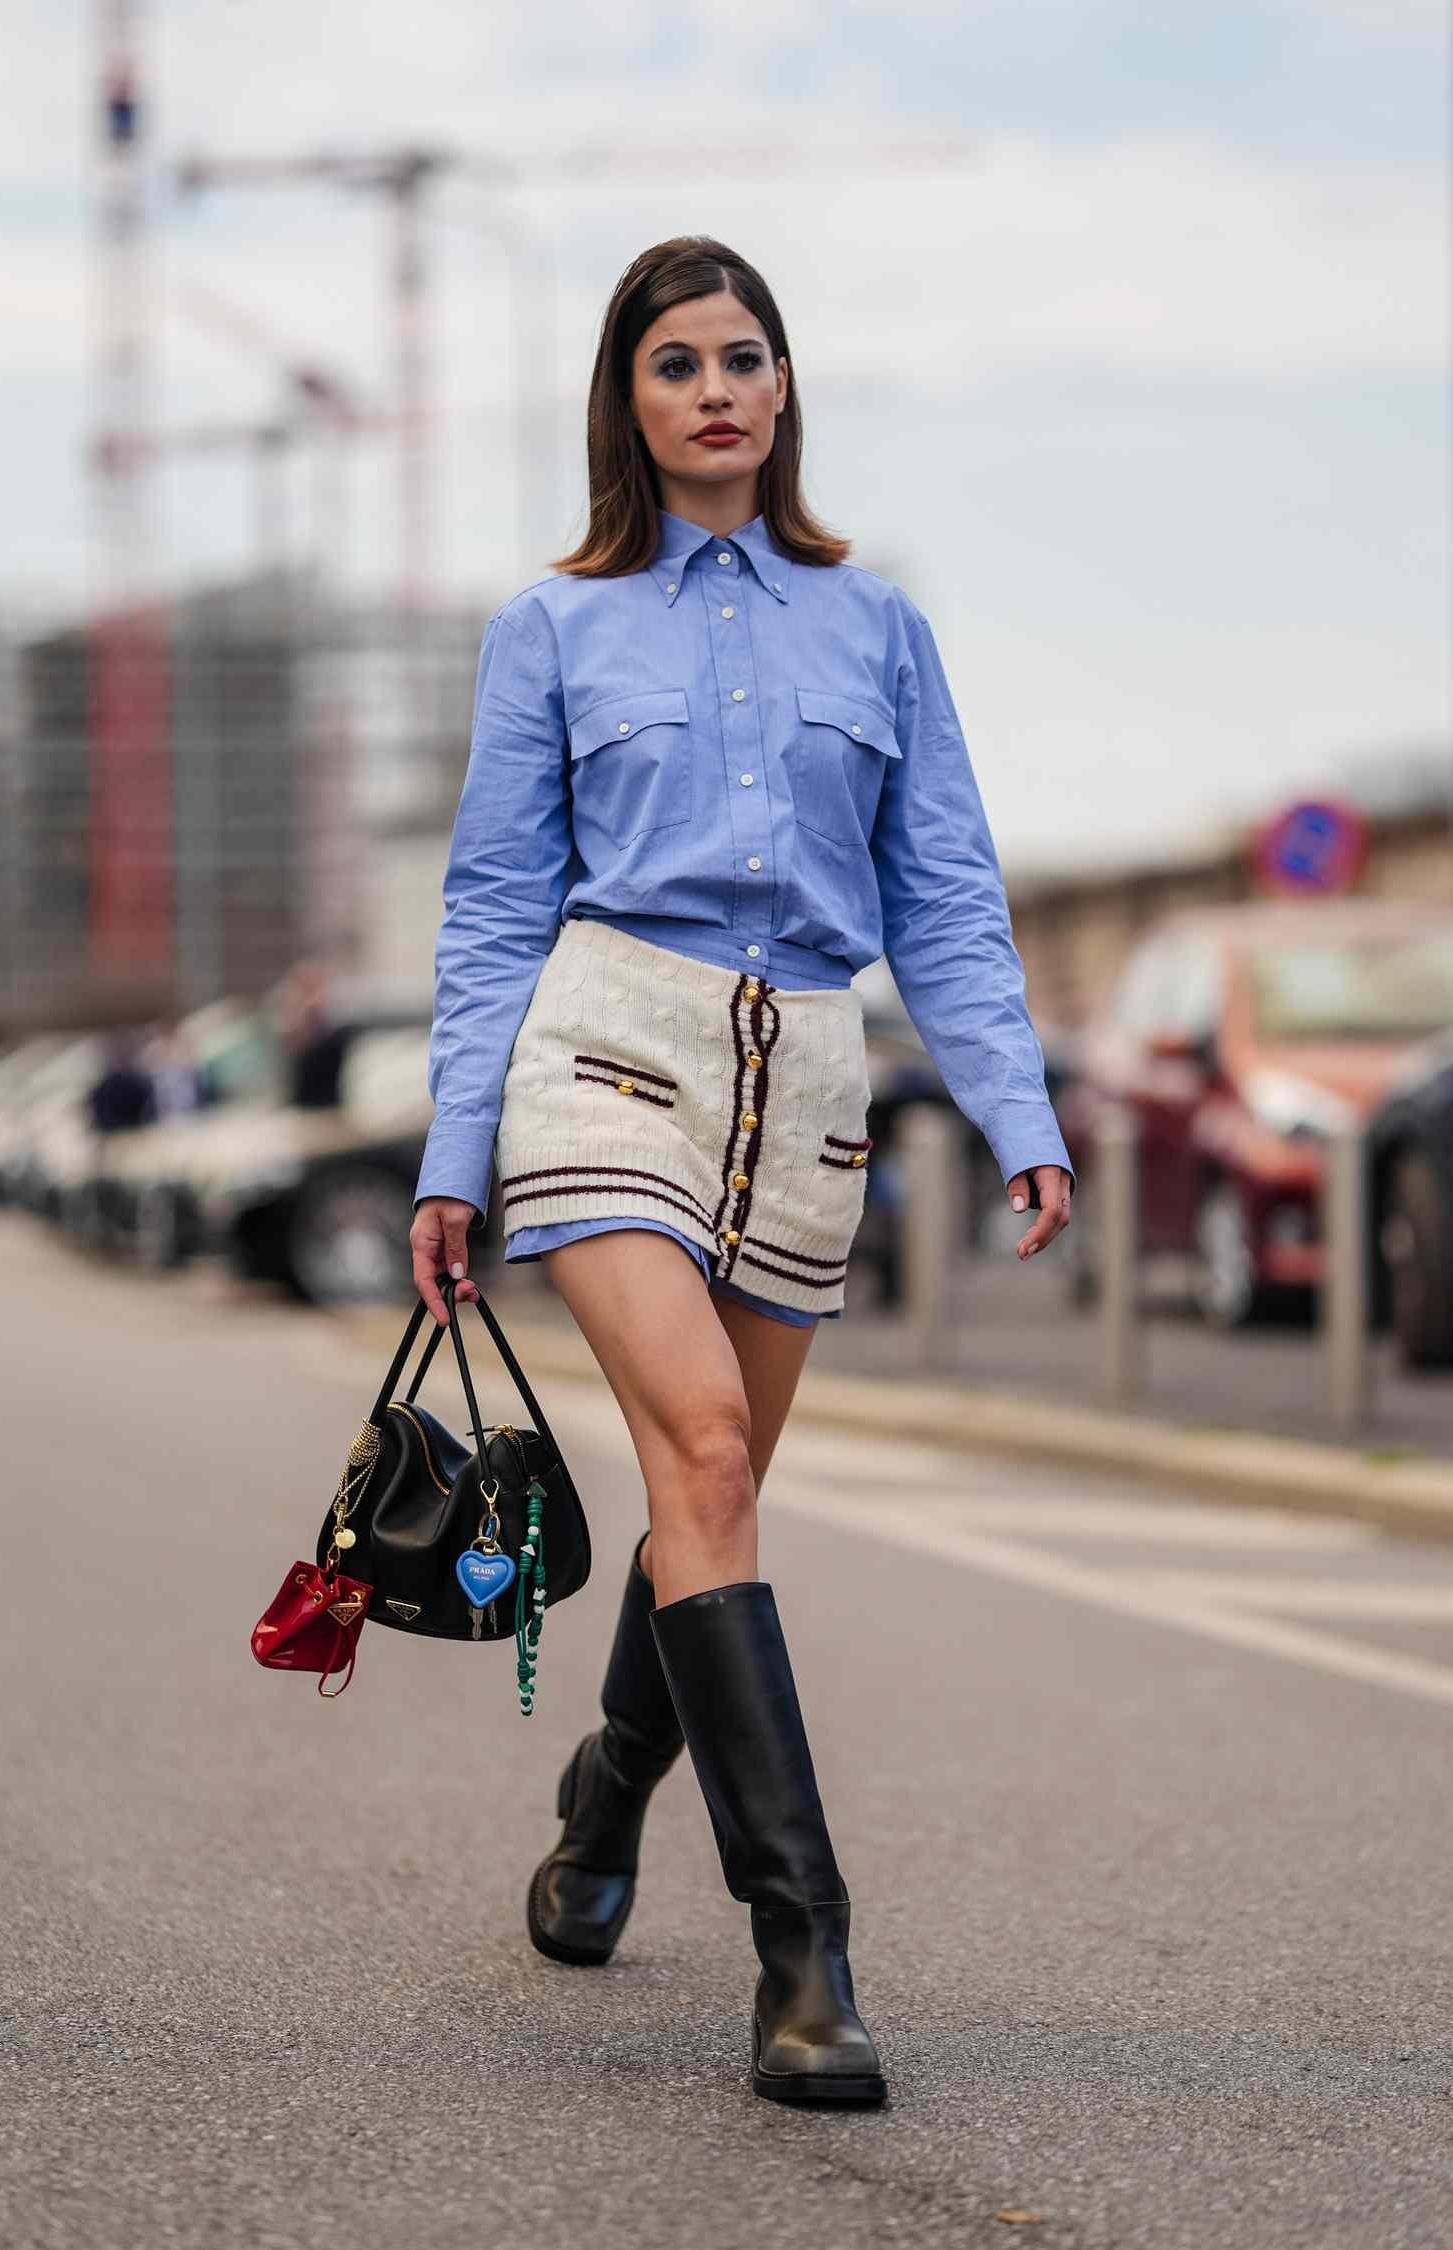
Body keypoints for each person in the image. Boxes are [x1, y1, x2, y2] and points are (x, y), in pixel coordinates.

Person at [408, 236, 1075, 2105]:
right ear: (627, 400)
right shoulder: (550, 626)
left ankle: (606, 1786)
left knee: (720, 1488)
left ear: (784, 390)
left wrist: (1017, 1106)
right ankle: (806, 1952)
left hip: (812, 1082)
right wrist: (457, 1148)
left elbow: (943, 887)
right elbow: (491, 908)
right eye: (674, 360)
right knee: (703, 1448)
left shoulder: (878, 626)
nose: (713, 386)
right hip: (608, 1048)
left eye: (744, 357)